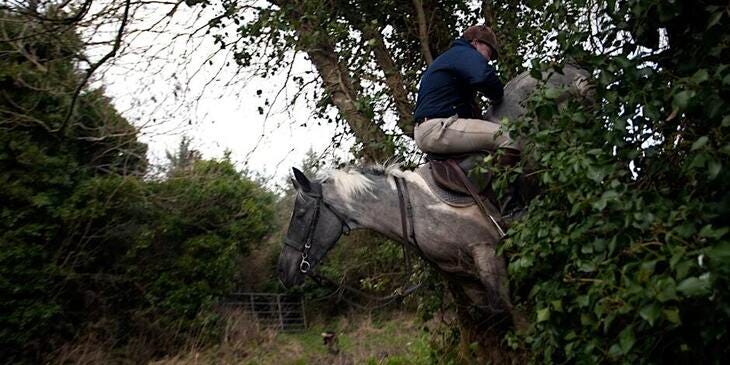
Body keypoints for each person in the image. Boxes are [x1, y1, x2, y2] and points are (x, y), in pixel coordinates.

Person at [413, 25, 520, 164]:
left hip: (430, 128)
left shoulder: (453, 58)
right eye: (489, 52)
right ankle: (503, 184)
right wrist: (498, 95)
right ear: (475, 43)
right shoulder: (463, 53)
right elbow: (484, 77)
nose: (488, 59)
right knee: (508, 136)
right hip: (438, 128)